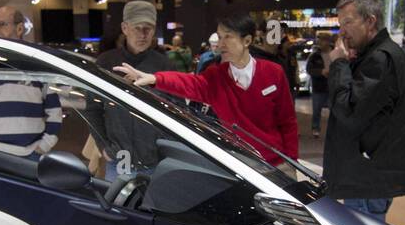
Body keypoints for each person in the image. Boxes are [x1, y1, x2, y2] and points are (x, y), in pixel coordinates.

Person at [114, 13, 297, 166]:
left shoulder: (274, 72)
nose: (221, 44)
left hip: (276, 165)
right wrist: (155, 79)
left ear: (247, 40)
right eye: (219, 37)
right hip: (240, 165)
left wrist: (291, 161)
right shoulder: (215, 76)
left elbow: (288, 121)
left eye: (228, 37)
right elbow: (189, 83)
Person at [322, 0, 405, 221]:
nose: (342, 31)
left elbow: (348, 111)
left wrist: (340, 64)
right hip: (370, 172)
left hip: (367, 175)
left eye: (348, 22)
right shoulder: (381, 54)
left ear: (370, 21)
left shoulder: (380, 59)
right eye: (340, 24)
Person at [89, 0, 173, 177]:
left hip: (156, 161)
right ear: (125, 28)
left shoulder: (165, 65)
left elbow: (176, 111)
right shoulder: (106, 63)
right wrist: (103, 145)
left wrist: (165, 149)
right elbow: (93, 108)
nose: (143, 34)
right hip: (119, 159)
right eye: (137, 28)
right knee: (118, 196)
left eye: (148, 28)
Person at [0, 6, 61, 158]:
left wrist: (44, 146)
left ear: (20, 28)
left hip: (34, 154)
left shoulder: (36, 64)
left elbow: (54, 110)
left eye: (2, 24)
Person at [306, 32, 333, 140]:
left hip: (332, 87)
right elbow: (309, 69)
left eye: (322, 40)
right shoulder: (315, 56)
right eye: (319, 40)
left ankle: (333, 130)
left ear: (328, 41)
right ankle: (315, 129)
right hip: (319, 87)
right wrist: (321, 72)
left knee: (335, 111)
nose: (320, 43)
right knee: (316, 110)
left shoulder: (335, 53)